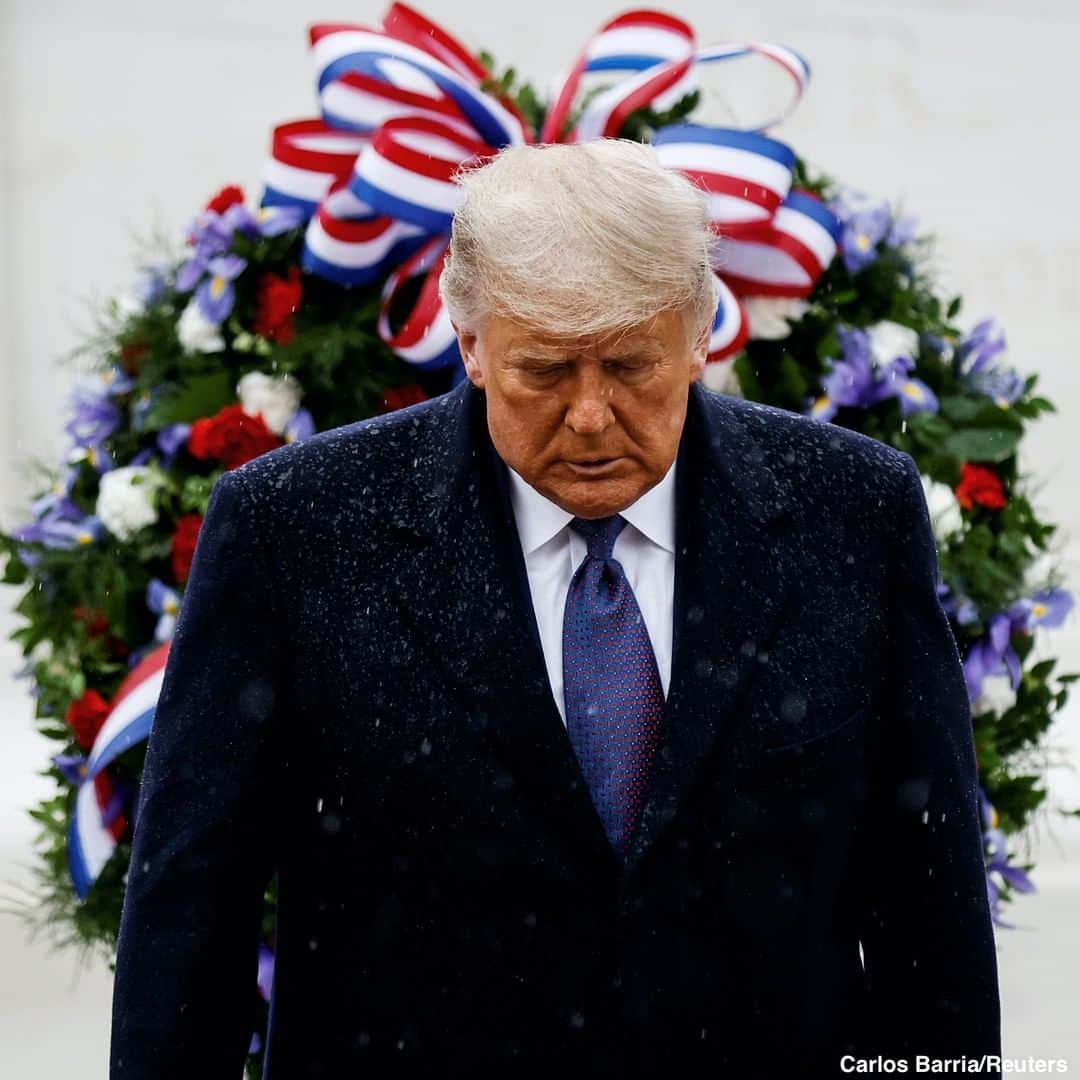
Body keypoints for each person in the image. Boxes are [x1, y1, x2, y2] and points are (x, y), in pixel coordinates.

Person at [109, 138, 1002, 1079]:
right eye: (543, 369)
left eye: (629, 366)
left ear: (700, 335)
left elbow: (928, 905)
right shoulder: (294, 533)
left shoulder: (852, 513)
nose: (588, 414)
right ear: (470, 344)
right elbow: (190, 915)